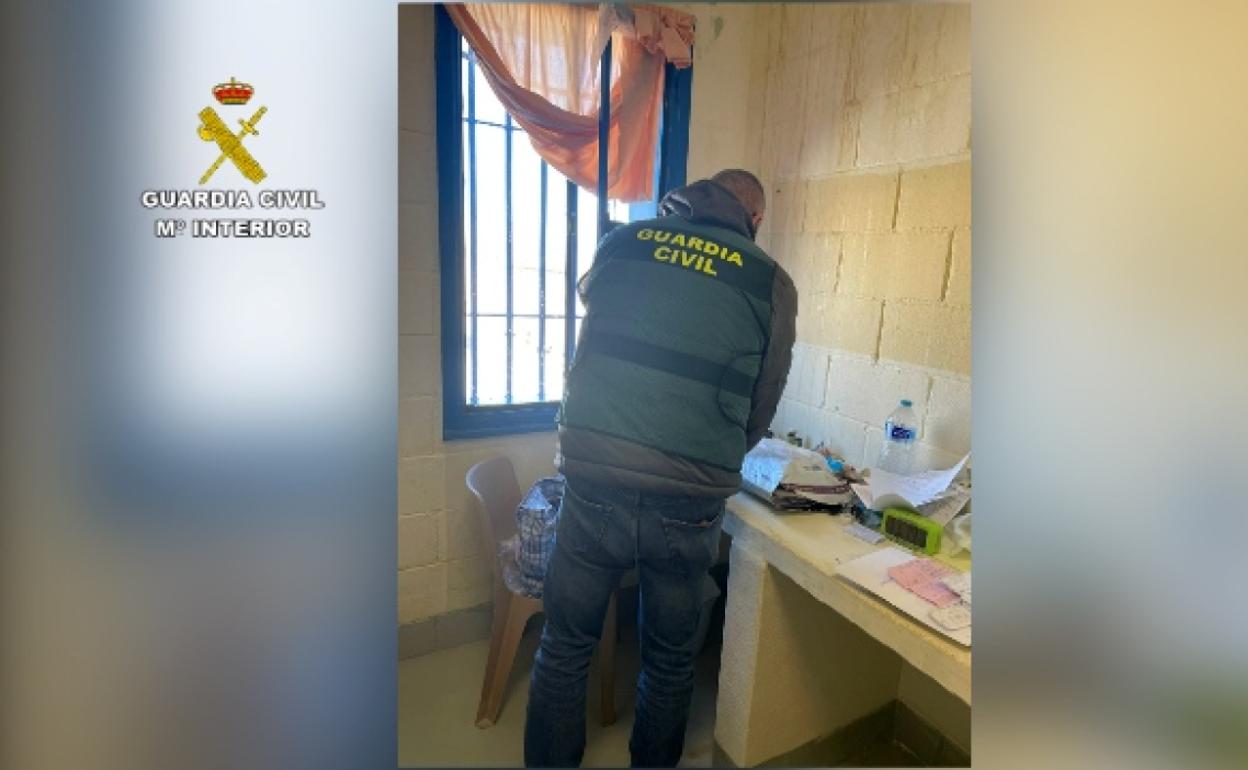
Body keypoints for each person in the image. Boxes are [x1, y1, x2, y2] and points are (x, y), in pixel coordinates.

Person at [524, 169, 797, 768]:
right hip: (689, 500)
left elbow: (597, 316)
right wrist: (715, 450)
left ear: (691, 198)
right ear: (754, 220)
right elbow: (764, 398)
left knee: (564, 646)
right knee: (670, 662)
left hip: (595, 476)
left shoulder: (623, 241)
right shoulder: (770, 280)